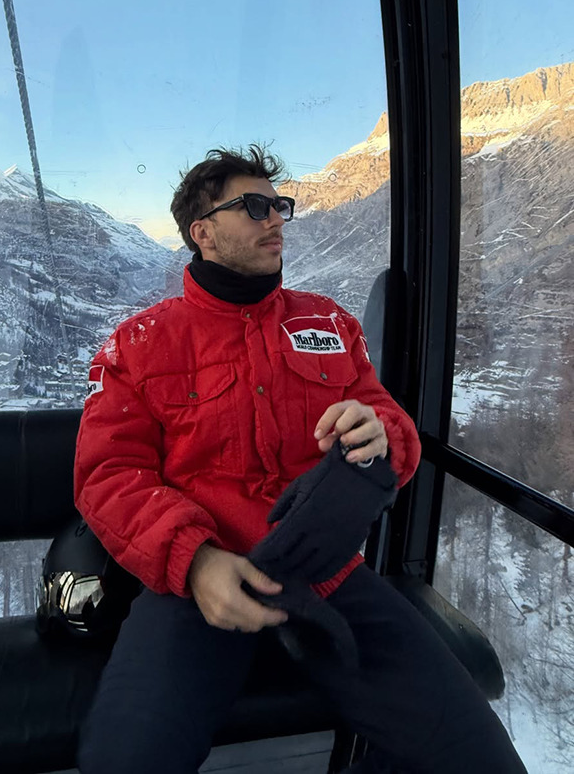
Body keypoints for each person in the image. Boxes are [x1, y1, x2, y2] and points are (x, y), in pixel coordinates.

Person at [74, 145, 527, 773]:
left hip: (327, 576)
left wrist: (381, 434)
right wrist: (196, 562)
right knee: (126, 761)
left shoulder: (328, 324)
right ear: (201, 232)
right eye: (255, 206)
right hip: (197, 584)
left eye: (279, 205)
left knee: (479, 761)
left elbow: (389, 422)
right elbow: (109, 477)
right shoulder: (139, 345)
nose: (276, 219)